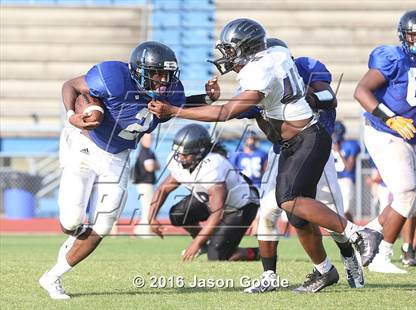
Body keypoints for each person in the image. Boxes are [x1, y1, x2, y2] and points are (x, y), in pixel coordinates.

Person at [148, 18, 382, 289]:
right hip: (290, 145)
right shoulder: (276, 55)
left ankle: (359, 235)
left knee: (294, 201)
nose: (228, 57)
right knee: (291, 212)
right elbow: (227, 106)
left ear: (248, 49)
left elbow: (224, 113)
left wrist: (174, 111)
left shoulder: (262, 71)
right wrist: (207, 98)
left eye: (232, 50)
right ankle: (320, 271)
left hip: (311, 138)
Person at [38, 41, 191, 300]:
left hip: (118, 156)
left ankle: (52, 278)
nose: (163, 81)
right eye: (156, 74)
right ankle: (73, 235)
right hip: (85, 144)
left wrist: (207, 98)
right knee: (72, 220)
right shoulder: (113, 77)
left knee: (105, 223)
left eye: (167, 74)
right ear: (139, 71)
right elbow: (71, 86)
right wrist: (72, 114)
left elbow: (182, 106)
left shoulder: (170, 93)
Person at [244, 38, 363, 293]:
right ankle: (269, 276)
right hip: (284, 152)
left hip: (315, 147)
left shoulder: (305, 67)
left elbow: (329, 98)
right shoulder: (260, 80)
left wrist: (301, 97)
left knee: (332, 216)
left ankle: (349, 256)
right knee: (267, 211)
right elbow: (237, 111)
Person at [354, 10, 416, 274]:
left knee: (412, 201)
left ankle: (365, 233)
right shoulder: (393, 58)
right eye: (414, 34)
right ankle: (382, 255)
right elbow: (361, 91)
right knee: (405, 193)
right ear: (404, 35)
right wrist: (391, 119)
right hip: (386, 131)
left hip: (413, 137)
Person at [148, 124, 260, 261]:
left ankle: (257, 253)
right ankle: (206, 244)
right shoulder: (181, 162)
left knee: (216, 256)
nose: (180, 158)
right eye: (179, 153)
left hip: (240, 206)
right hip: (211, 201)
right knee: (178, 214)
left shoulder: (213, 165)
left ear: (200, 152)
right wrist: (151, 217)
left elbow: (217, 213)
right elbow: (163, 189)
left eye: (185, 154)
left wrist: (196, 244)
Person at [332, 121, 361, 221]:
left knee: (345, 210)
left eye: (335, 132)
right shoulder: (328, 145)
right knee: (334, 211)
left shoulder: (351, 145)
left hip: (346, 179)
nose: (334, 135)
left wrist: (339, 152)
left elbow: (349, 167)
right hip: (333, 180)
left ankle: (352, 231)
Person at [132, 133, 160, 237]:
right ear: (142, 140)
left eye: (151, 139)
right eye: (147, 139)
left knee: (148, 207)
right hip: (144, 184)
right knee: (148, 208)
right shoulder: (145, 152)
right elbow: (150, 167)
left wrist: (154, 165)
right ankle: (143, 231)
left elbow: (158, 166)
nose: (150, 141)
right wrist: (154, 165)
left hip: (147, 183)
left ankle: (140, 229)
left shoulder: (148, 152)